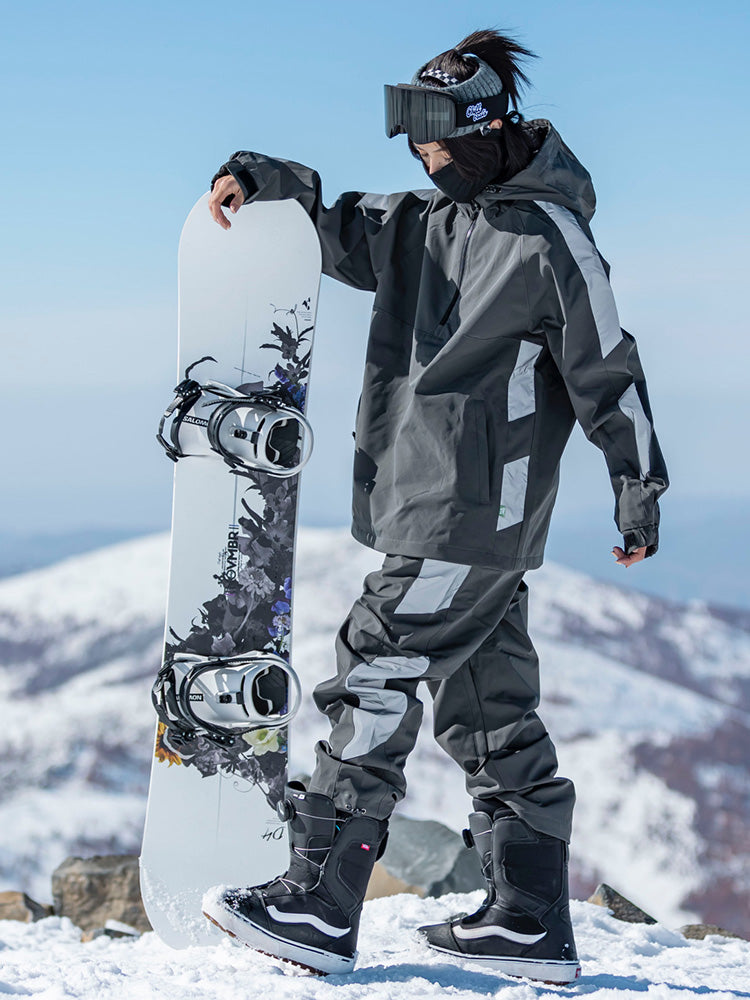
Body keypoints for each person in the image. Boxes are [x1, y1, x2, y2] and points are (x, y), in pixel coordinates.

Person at [201, 28, 668, 982]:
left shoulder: (551, 240)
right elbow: (332, 222)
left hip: (474, 509)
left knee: (376, 663)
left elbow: (607, 368)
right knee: (489, 705)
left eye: (438, 141)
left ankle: (319, 901)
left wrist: (637, 482)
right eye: (413, 141)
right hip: (431, 502)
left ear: (488, 127)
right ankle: (527, 920)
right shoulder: (422, 220)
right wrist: (255, 176)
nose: (423, 157)